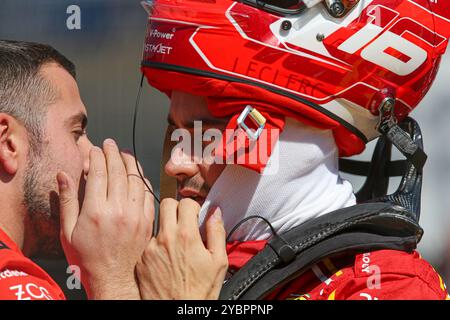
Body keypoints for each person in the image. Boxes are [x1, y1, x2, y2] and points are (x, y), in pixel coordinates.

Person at [137, 0, 450, 299]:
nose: (175, 163)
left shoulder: (395, 287)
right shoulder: (169, 267)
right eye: (177, 133)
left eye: (208, 136)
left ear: (296, 138)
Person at [0, 40, 228, 300]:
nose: (90, 160)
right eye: (76, 133)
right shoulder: (12, 285)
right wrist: (113, 279)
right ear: (8, 142)